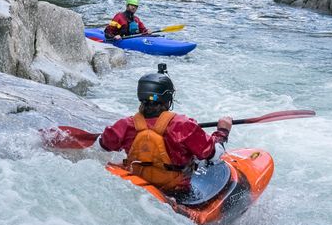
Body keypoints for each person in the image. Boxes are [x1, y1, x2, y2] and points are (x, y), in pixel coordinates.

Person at [98, 64, 233, 193]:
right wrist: (222, 131)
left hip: (139, 186)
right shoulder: (184, 125)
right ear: (168, 99)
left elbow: (103, 144)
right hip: (175, 192)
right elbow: (214, 154)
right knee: (203, 161)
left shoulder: (124, 125)